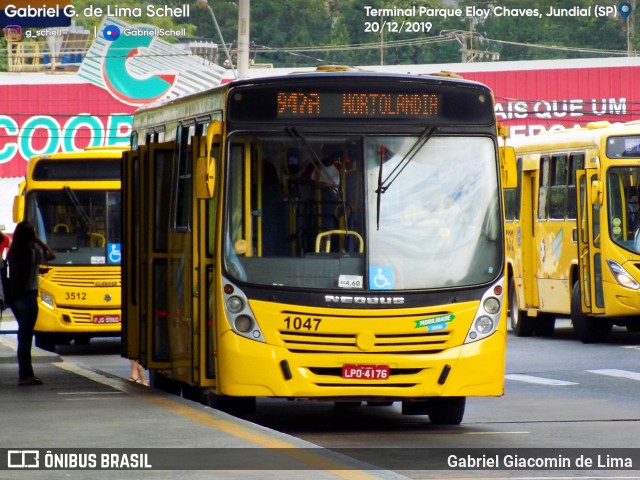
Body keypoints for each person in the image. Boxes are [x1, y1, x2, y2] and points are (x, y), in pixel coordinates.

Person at [8, 221, 55, 386]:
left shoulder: (13, 253)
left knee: (23, 337)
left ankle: (25, 373)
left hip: (16, 297)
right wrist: (38, 240)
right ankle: (26, 374)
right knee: (26, 338)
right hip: (29, 297)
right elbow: (51, 254)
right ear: (30, 235)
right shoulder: (33, 252)